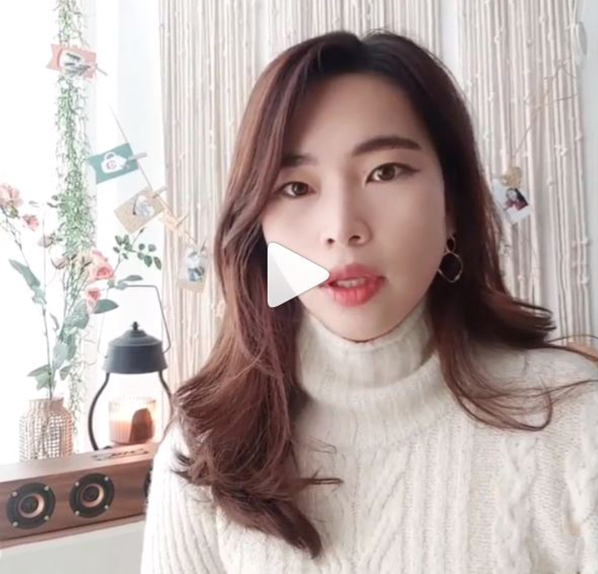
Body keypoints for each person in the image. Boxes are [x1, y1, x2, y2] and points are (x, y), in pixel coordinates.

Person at [140, 30, 598, 573]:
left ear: (452, 204)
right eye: (295, 187)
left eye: (385, 172)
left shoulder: (576, 422)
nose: (342, 228)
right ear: (258, 225)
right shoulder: (204, 451)